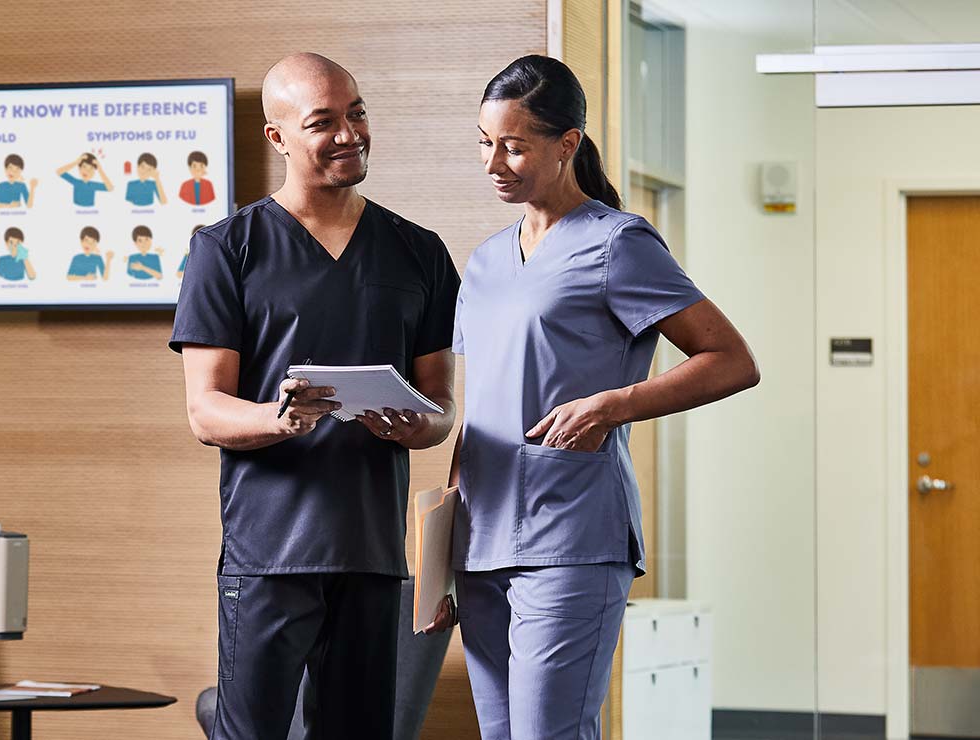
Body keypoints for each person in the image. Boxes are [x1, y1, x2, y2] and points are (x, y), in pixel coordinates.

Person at [426, 55, 760, 740]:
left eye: (514, 146)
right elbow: (484, 401)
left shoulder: (618, 243)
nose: (494, 163)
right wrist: (441, 551)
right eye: (485, 143)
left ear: (567, 144)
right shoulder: (487, 259)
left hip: (572, 537)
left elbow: (731, 360)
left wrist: (614, 405)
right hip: (481, 538)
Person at [170, 53, 460, 740]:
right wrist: (278, 417)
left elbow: (441, 405)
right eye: (323, 122)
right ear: (278, 138)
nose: (349, 133)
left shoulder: (418, 252)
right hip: (267, 555)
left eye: (356, 112)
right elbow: (204, 408)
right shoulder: (226, 249)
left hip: (373, 554)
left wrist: (415, 425)